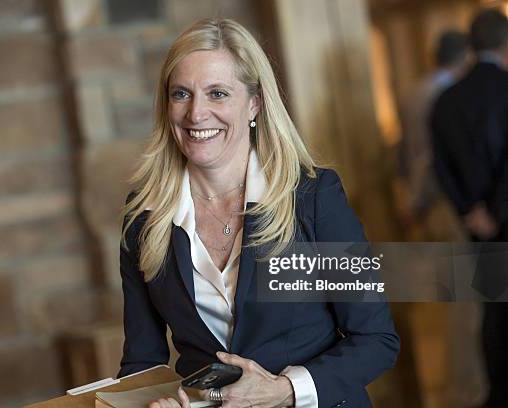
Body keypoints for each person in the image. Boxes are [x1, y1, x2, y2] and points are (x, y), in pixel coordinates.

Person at [119, 18, 399, 408]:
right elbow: (143, 365)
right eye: (181, 93)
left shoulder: (314, 197)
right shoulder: (143, 219)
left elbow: (377, 339)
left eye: (217, 93)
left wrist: (284, 391)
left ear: (254, 103)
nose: (196, 113)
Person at [430, 9, 508, 408]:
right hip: (503, 217)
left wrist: (470, 211)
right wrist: (497, 209)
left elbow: (440, 166)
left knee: (493, 312)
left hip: (477, 225)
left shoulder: (445, 100)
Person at [396, 30, 470, 241]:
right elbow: (432, 152)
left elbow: (405, 149)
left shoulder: (414, 92)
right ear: (465, 56)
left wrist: (409, 197)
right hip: (444, 194)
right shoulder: (451, 96)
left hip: (418, 194)